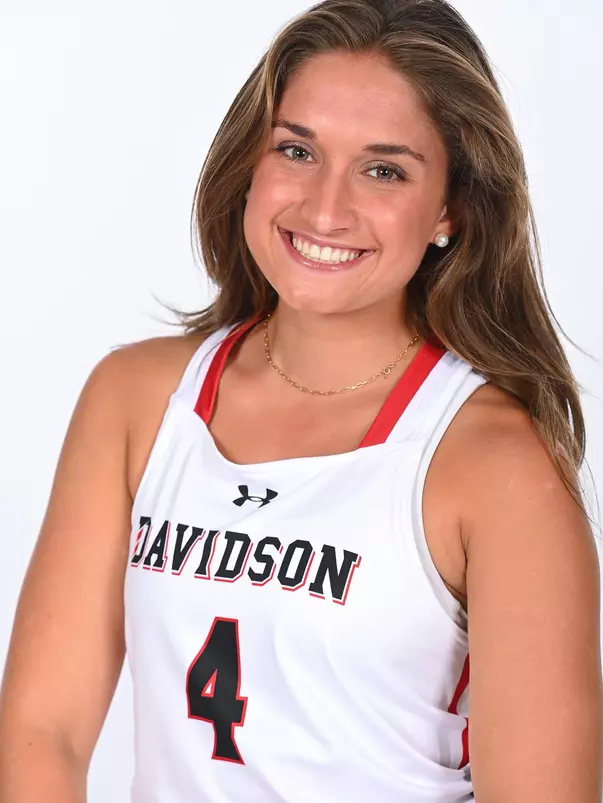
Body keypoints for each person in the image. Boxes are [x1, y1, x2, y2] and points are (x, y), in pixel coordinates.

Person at [0, 0, 601, 800]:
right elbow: (46, 729)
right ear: (249, 161)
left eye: (383, 169)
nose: (325, 208)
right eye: (297, 150)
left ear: (452, 208)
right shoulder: (139, 400)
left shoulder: (495, 465)